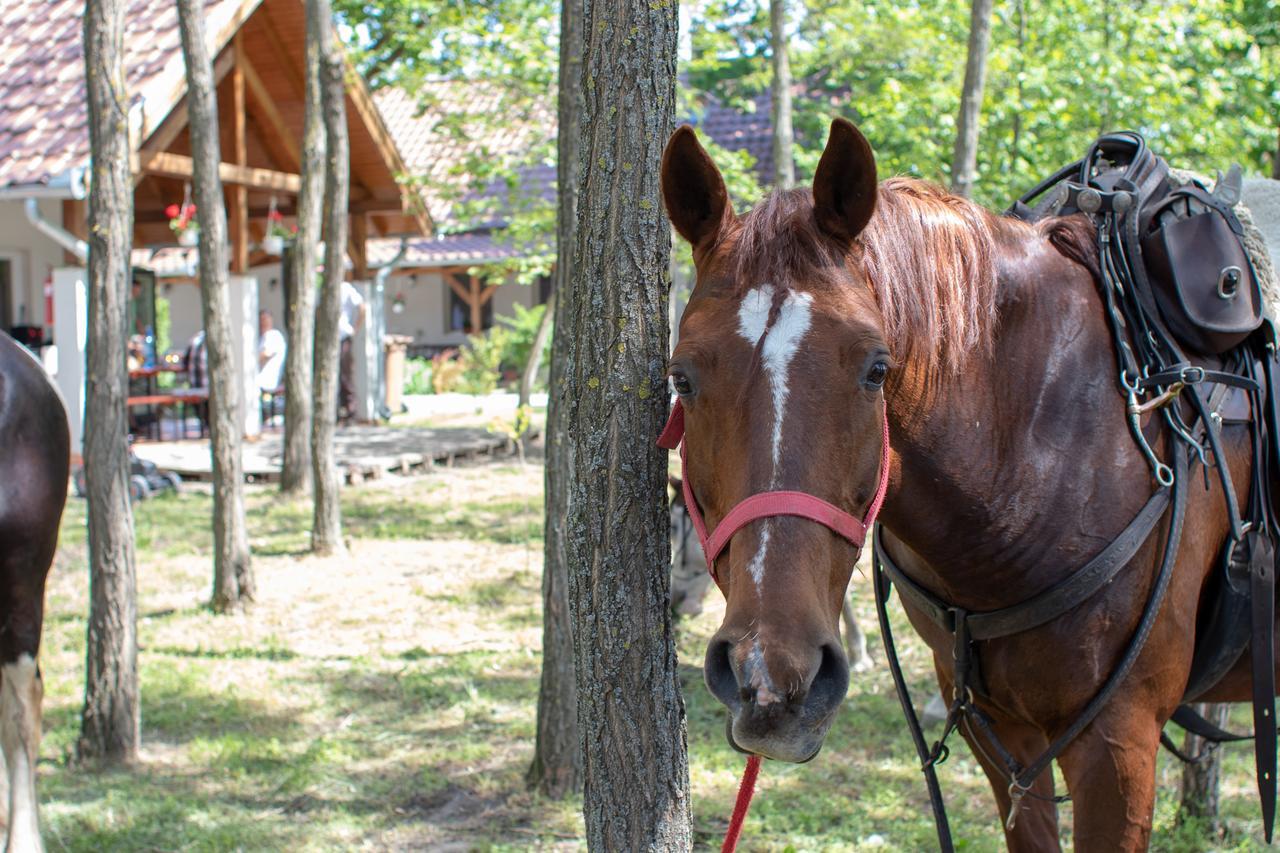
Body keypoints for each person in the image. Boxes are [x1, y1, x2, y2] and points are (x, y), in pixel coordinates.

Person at [338, 281, 366, 421]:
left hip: (343, 336)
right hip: (328, 339)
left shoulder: (346, 288)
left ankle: (351, 411)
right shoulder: (322, 287)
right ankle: (339, 411)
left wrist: (355, 329)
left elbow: (362, 307)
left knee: (345, 375)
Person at [257, 310, 286, 392]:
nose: (262, 323)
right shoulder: (261, 338)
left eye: (265, 319)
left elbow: (266, 354)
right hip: (262, 386)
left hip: (266, 386)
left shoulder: (273, 335)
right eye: (261, 320)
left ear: (270, 321)